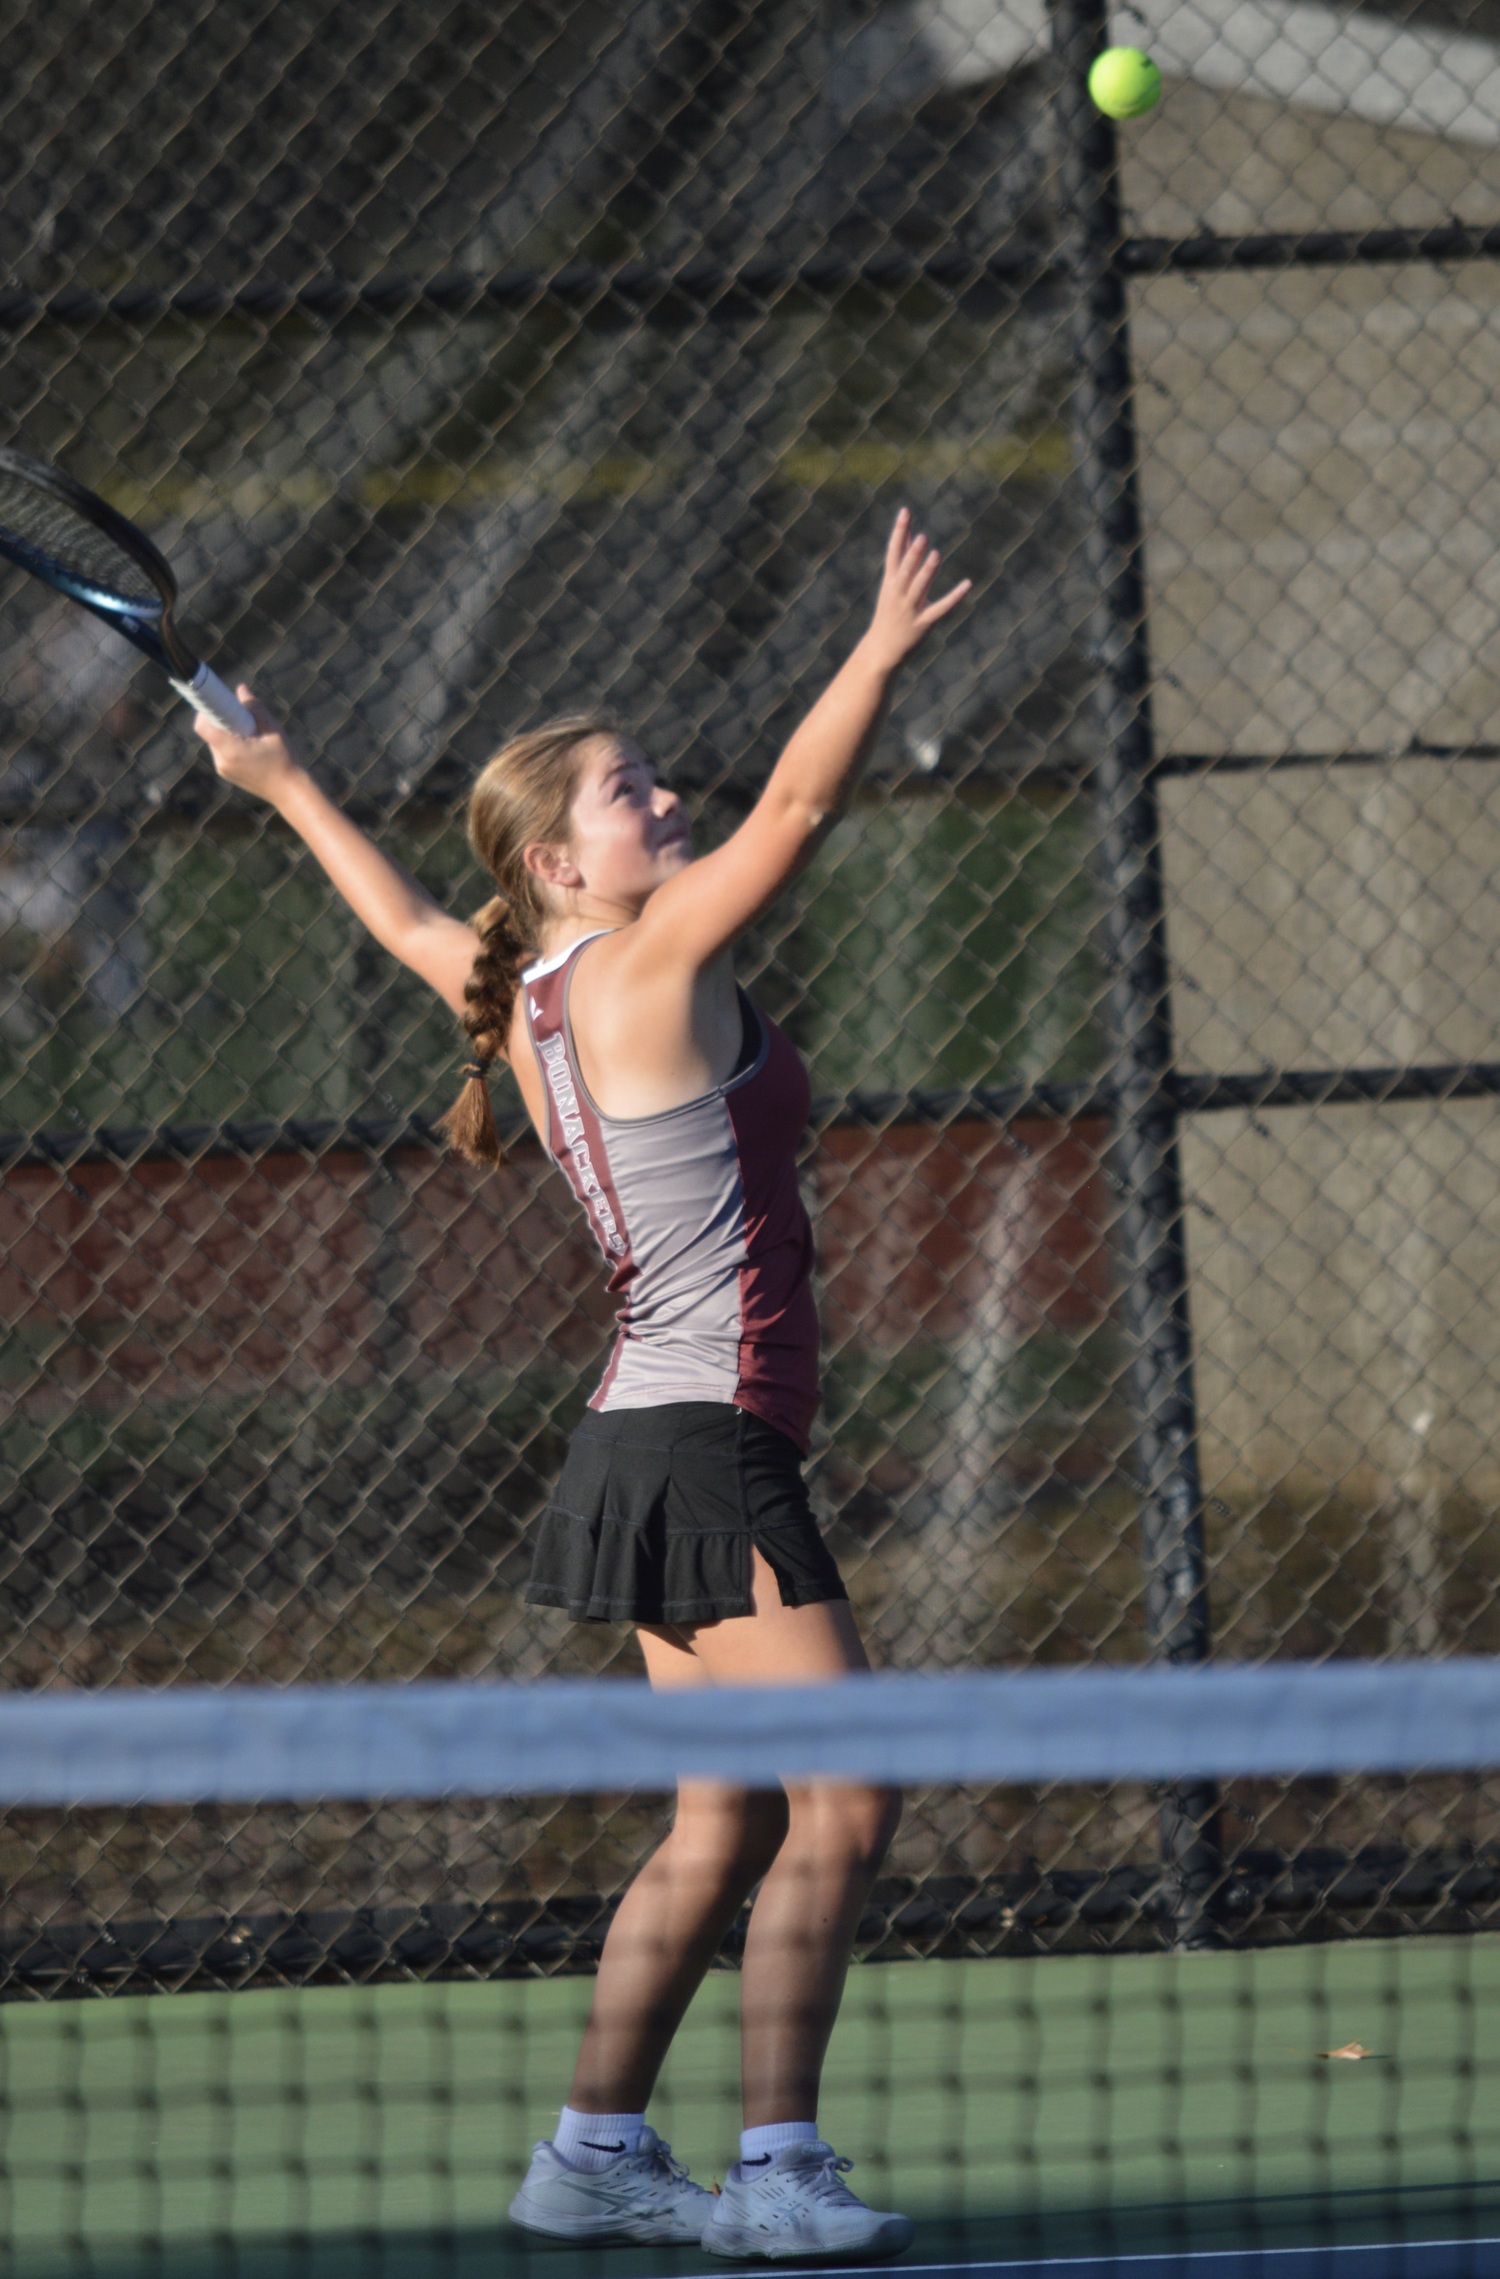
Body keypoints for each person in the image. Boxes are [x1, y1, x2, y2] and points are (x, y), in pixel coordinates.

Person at [196, 509, 968, 2261]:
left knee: (725, 1817)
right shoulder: (641, 967)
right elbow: (796, 814)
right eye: (630, 795)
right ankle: (775, 2173)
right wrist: (871, 654)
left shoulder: (519, 990)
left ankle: (592, 2152)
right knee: (846, 1797)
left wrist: (280, 779)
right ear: (556, 861)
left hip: (651, 1437)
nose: (668, 800)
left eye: (658, 782)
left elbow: (403, 913)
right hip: (697, 1441)